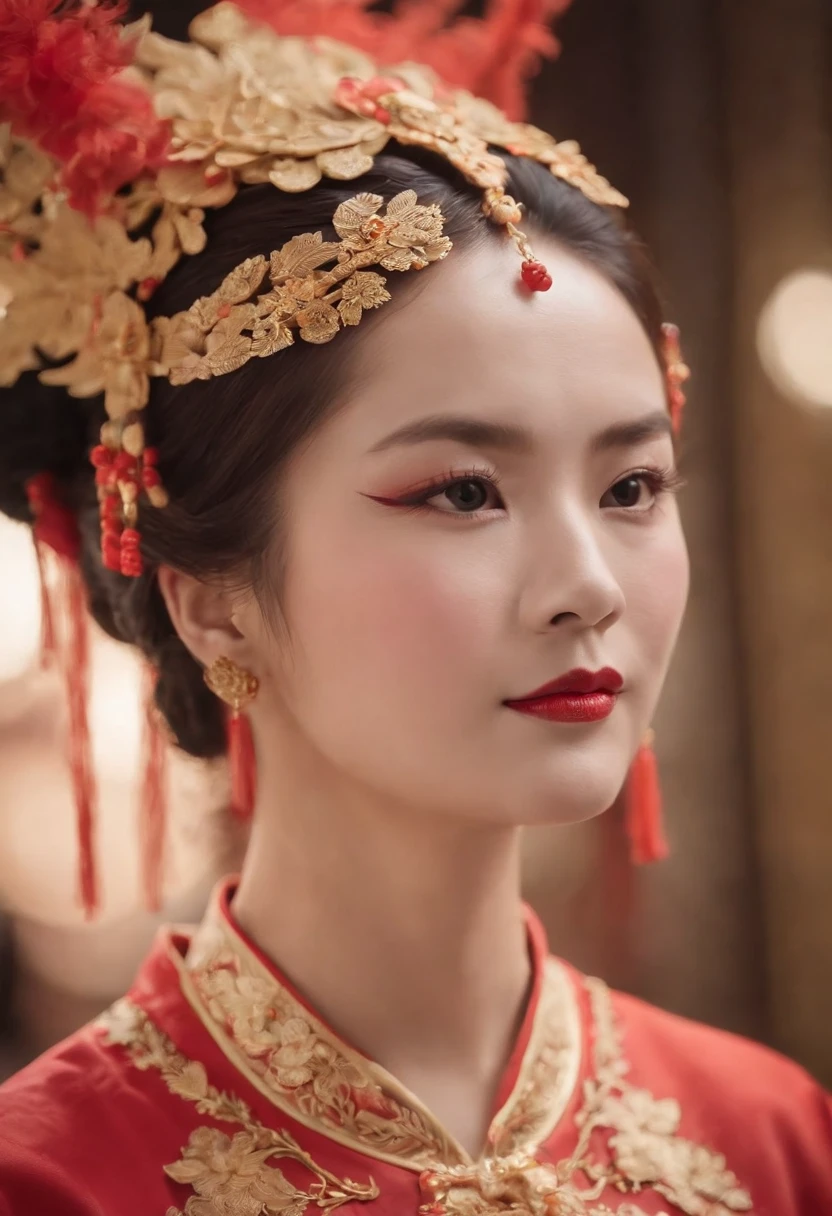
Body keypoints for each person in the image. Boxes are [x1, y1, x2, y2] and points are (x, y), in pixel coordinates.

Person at [0, 2, 830, 1213]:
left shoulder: (773, 1140)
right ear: (213, 603)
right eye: (462, 492)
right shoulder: (49, 1181)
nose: (589, 584)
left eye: (631, 486)